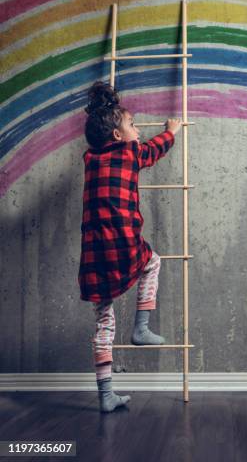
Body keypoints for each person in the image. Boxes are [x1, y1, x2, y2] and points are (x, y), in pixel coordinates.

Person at [78, 81, 181, 412]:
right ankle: (141, 327)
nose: (138, 130)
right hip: (123, 243)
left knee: (103, 323)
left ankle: (106, 396)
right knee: (152, 262)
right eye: (133, 125)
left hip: (94, 255)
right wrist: (171, 131)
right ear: (119, 137)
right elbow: (153, 150)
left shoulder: (90, 159)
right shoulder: (131, 152)